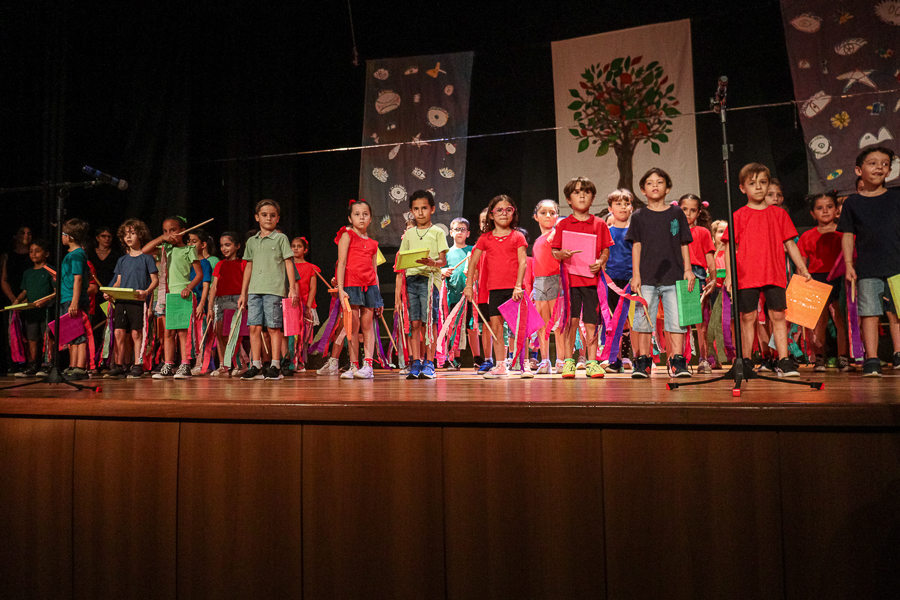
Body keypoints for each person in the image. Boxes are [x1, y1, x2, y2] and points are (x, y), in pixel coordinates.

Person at [723, 163, 811, 377]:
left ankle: (784, 360)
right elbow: (729, 247)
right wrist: (729, 275)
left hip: (774, 272)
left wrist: (802, 268)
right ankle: (745, 361)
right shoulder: (738, 216)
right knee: (748, 317)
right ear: (742, 188)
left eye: (763, 182)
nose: (758, 187)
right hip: (747, 275)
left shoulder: (778, 214)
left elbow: (790, 243)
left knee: (778, 315)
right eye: (752, 183)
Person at [838, 146, 900, 377]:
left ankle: (898, 353)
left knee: (897, 312)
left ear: (890, 171)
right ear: (859, 170)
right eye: (872, 163)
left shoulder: (896, 197)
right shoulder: (852, 203)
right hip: (868, 267)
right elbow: (847, 235)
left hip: (897, 264)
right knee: (869, 312)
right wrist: (848, 264)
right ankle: (871, 358)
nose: (879, 168)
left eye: (884, 164)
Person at [627, 169, 695, 378]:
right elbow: (636, 246)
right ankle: (643, 362)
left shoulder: (676, 213)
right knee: (643, 321)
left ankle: (677, 361)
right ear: (642, 190)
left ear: (668, 188)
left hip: (674, 276)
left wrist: (688, 269)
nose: (655, 185)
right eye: (649, 182)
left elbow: (684, 242)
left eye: (659, 182)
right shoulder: (638, 216)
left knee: (676, 320)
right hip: (646, 277)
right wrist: (636, 275)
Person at [550, 177, 614, 379]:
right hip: (570, 282)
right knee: (571, 321)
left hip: (592, 282)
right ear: (569, 199)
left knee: (591, 322)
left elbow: (606, 250)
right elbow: (554, 251)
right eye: (577, 192)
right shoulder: (563, 224)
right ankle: (569, 361)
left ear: (593, 198)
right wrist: (562, 254)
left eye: (586, 192)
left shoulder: (599, 223)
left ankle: (592, 362)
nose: (582, 196)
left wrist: (600, 261)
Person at [464, 195, 528, 378]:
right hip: (494, 290)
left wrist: (518, 286)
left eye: (508, 210)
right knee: (496, 328)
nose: (504, 213)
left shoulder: (518, 236)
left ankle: (523, 364)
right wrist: (468, 286)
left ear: (513, 213)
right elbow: (473, 262)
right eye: (499, 210)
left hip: (514, 289)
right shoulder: (486, 238)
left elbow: (523, 262)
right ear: (491, 215)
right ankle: (500, 365)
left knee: (519, 328)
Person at [238, 200, 298, 381]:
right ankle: (256, 364)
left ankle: (275, 364)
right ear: (257, 218)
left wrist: (292, 288)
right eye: (264, 215)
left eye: (272, 215)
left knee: (273, 327)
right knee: (254, 327)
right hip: (254, 289)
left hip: (274, 289)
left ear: (277, 218)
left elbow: (289, 263)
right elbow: (248, 267)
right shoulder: (252, 241)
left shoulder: (281, 238)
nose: (268, 218)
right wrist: (243, 293)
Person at [395, 190, 448, 379]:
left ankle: (429, 362)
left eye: (424, 208)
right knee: (414, 322)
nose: (420, 212)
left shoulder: (438, 232)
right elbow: (401, 261)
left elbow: (443, 261)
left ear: (432, 209)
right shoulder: (409, 234)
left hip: (429, 280)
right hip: (412, 280)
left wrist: (433, 263)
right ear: (411, 211)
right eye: (416, 209)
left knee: (429, 322)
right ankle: (415, 361)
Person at [143, 216, 203, 380]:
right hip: (166, 295)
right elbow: (145, 250)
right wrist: (162, 238)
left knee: (182, 332)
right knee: (168, 332)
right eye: (165, 231)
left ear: (183, 231)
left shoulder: (189, 250)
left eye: (173, 230)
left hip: (182, 294)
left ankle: (185, 364)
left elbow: (199, 274)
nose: (169, 234)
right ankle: (168, 363)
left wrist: (188, 288)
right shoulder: (165, 249)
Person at [798, 192, 849, 372]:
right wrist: (801, 285)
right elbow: (801, 264)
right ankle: (819, 357)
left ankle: (843, 357)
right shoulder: (807, 236)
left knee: (840, 317)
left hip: (839, 277)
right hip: (816, 279)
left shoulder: (844, 234)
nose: (825, 211)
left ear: (836, 210)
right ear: (813, 213)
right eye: (820, 208)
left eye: (829, 207)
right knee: (819, 319)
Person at [103, 219, 159, 379]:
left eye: (133, 233)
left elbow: (155, 280)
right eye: (126, 234)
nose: (128, 237)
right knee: (119, 332)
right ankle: (119, 364)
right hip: (121, 301)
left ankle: (137, 364)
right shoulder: (122, 260)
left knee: (136, 333)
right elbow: (118, 281)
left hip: (137, 301)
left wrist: (146, 292)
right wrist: (110, 292)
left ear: (140, 235)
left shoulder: (147, 258)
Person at [336, 200, 383, 380]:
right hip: (351, 286)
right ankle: (354, 364)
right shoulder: (347, 236)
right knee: (353, 326)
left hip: (369, 287)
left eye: (365, 214)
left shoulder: (373, 243)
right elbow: (341, 263)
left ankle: (368, 365)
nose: (361, 218)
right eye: (357, 214)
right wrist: (341, 289)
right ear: (350, 218)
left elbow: (374, 271)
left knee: (367, 325)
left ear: (370, 218)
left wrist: (377, 296)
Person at [679, 194, 717, 373]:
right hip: (678, 275)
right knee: (680, 322)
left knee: (700, 321)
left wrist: (713, 279)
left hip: (699, 275)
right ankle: (681, 359)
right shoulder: (673, 232)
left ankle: (704, 359)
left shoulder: (703, 232)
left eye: (692, 210)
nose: (688, 214)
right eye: (684, 210)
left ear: (699, 212)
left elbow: (710, 259)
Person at [603, 189, 635, 373]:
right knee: (616, 320)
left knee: (633, 320)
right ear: (610, 208)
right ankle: (616, 360)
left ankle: (636, 357)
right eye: (618, 204)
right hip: (612, 281)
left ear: (631, 208)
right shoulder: (607, 232)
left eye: (626, 203)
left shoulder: (635, 232)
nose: (623, 207)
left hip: (633, 280)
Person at [13, 239, 55, 377]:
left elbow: (56, 291)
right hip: (32, 311)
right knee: (32, 337)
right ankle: (32, 364)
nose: (33, 254)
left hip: (46, 310)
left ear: (46, 253)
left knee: (47, 337)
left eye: (37, 251)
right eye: (31, 251)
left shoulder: (50, 270)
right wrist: (17, 301)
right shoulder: (28, 273)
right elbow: (25, 291)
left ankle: (47, 364)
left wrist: (45, 300)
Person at [207, 232, 246, 377]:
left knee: (233, 334)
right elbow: (214, 286)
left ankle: (239, 364)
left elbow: (246, 284)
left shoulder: (243, 263)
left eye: (228, 245)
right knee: (219, 333)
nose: (224, 248)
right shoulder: (220, 264)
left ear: (237, 246)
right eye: (222, 245)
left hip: (235, 300)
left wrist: (244, 299)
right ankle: (224, 365)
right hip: (219, 301)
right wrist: (210, 307)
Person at [531, 200, 563, 374]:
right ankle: (545, 361)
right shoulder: (538, 240)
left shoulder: (557, 235)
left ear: (557, 216)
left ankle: (561, 360)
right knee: (542, 324)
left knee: (557, 323)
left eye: (552, 213)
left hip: (556, 280)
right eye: (543, 213)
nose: (548, 216)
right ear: (536, 217)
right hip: (539, 282)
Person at [59, 219, 92, 380]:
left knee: (79, 335)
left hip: (73, 299)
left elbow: (78, 279)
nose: (61, 236)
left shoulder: (77, 254)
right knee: (71, 335)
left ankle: (80, 367)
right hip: (67, 297)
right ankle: (72, 366)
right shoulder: (73, 254)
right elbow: (88, 275)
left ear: (70, 237)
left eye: (63, 234)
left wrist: (74, 301)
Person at [441, 217, 476, 370]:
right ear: (451, 233)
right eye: (457, 229)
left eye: (463, 229)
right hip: (454, 296)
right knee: (454, 327)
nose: (460, 232)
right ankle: (455, 358)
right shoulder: (446, 253)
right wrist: (442, 272)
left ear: (468, 233)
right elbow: (438, 272)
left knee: (472, 327)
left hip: (471, 296)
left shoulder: (472, 250)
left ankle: (478, 358)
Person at [2, 226, 34, 374]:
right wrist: (14, 300)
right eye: (22, 232)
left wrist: (25, 300)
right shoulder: (7, 256)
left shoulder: (33, 256)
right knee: (13, 331)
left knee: (30, 332)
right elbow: (4, 280)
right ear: (16, 236)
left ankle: (30, 363)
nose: (26, 235)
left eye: (29, 233)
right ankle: (14, 363)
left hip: (30, 298)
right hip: (13, 298)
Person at [291, 236, 320, 372]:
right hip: (292, 305)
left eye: (299, 246)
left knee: (304, 336)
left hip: (306, 304)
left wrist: (308, 306)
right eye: (293, 246)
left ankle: (301, 360)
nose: (296, 249)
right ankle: (291, 360)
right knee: (292, 334)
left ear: (305, 250)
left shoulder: (310, 267)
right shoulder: (288, 266)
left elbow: (313, 289)